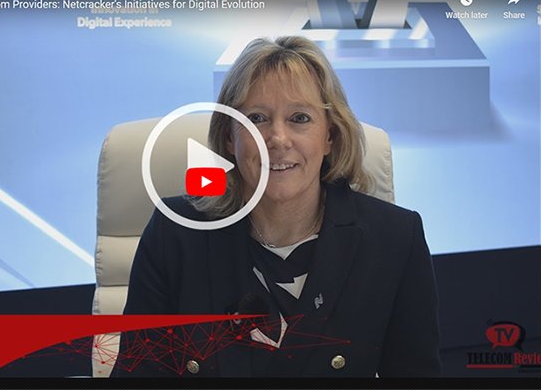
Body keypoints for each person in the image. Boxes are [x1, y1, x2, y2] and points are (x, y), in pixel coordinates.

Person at [114, 36, 441, 377]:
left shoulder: (395, 240)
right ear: (229, 137)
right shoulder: (175, 233)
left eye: (300, 118)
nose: (278, 139)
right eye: (257, 118)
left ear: (330, 136)